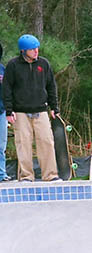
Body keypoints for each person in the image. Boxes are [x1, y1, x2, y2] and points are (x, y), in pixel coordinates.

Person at [2, 34, 60, 182]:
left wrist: (54, 107)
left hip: (41, 110)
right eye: (32, 49)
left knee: (46, 142)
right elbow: (7, 89)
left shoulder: (44, 64)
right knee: (23, 144)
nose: (36, 51)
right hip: (20, 112)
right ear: (23, 51)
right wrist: (9, 111)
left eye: (36, 48)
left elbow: (51, 86)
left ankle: (50, 175)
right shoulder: (13, 65)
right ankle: (26, 176)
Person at [0, 42, 9, 181]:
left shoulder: (2, 69)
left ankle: (1, 173)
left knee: (1, 144)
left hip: (1, 110)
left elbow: (9, 91)